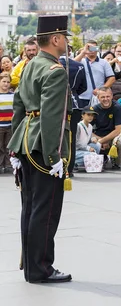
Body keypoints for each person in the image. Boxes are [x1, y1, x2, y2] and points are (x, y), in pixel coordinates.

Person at [8, 15, 72, 283]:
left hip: (25, 141)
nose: (67, 42)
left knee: (31, 207)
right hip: (43, 147)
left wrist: (14, 149)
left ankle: (32, 266)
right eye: (65, 37)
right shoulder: (55, 71)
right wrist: (54, 157)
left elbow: (18, 109)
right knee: (46, 211)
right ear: (55, 39)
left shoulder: (29, 66)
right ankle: (41, 268)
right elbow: (52, 118)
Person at [60, 47, 87, 177]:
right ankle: (69, 169)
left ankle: (56, 165)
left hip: (57, 104)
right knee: (71, 138)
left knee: (56, 136)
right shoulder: (79, 66)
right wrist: (74, 93)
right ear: (70, 51)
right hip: (75, 104)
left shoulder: (52, 64)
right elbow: (84, 87)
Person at [91, 87, 121, 169]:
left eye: (107, 96)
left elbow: (118, 130)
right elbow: (85, 128)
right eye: (102, 97)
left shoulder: (117, 107)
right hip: (99, 136)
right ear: (98, 98)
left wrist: (103, 141)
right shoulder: (94, 109)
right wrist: (99, 140)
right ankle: (100, 158)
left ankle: (115, 161)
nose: (105, 99)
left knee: (119, 143)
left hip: (113, 137)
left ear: (111, 96)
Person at [74, 40, 115, 107]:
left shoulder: (104, 63)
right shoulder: (81, 61)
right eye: (89, 48)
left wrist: (101, 89)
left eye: (94, 48)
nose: (92, 50)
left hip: (98, 97)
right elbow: (71, 65)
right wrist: (83, 53)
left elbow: (112, 78)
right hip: (82, 97)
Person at [0, 72, 14, 173]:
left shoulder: (12, 95)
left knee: (8, 145)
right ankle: (0, 165)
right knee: (0, 146)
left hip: (10, 125)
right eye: (4, 81)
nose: (6, 84)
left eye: (8, 82)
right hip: (0, 125)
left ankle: (8, 165)